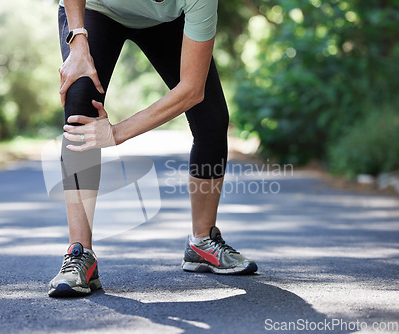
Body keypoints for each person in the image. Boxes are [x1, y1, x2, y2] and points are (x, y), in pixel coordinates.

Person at [48, 0, 257, 298]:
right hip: (96, 10)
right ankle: (80, 254)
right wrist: (78, 42)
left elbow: (192, 89)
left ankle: (203, 242)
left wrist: (116, 133)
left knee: (212, 119)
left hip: (166, 22)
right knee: (80, 104)